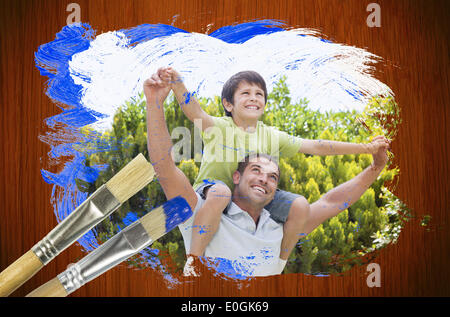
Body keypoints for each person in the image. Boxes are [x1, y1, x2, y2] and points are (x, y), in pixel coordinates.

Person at [144, 70, 390, 277]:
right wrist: (175, 87)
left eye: (259, 94)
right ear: (228, 104)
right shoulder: (219, 128)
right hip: (213, 192)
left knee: (301, 205)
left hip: (253, 222)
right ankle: (193, 259)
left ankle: (282, 258)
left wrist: (368, 152)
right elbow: (190, 118)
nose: (254, 98)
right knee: (220, 193)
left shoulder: (272, 137)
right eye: (246, 93)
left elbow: (318, 151)